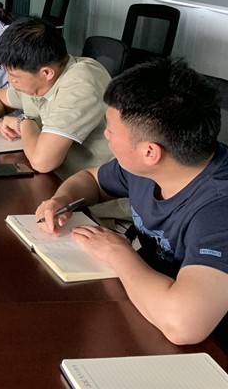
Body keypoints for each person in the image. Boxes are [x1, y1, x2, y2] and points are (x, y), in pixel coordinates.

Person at [34, 59, 228, 345]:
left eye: (111, 130)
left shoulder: (218, 208)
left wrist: (118, 253)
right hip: (145, 300)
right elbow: (92, 180)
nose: (105, 134)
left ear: (150, 152)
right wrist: (61, 200)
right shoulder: (151, 166)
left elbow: (183, 325)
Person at [0, 16, 113, 179]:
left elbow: (42, 162)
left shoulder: (80, 85)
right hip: (54, 178)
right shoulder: (39, 79)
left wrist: (23, 122)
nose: (10, 80)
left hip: (89, 187)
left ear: (46, 73)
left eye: (14, 76)